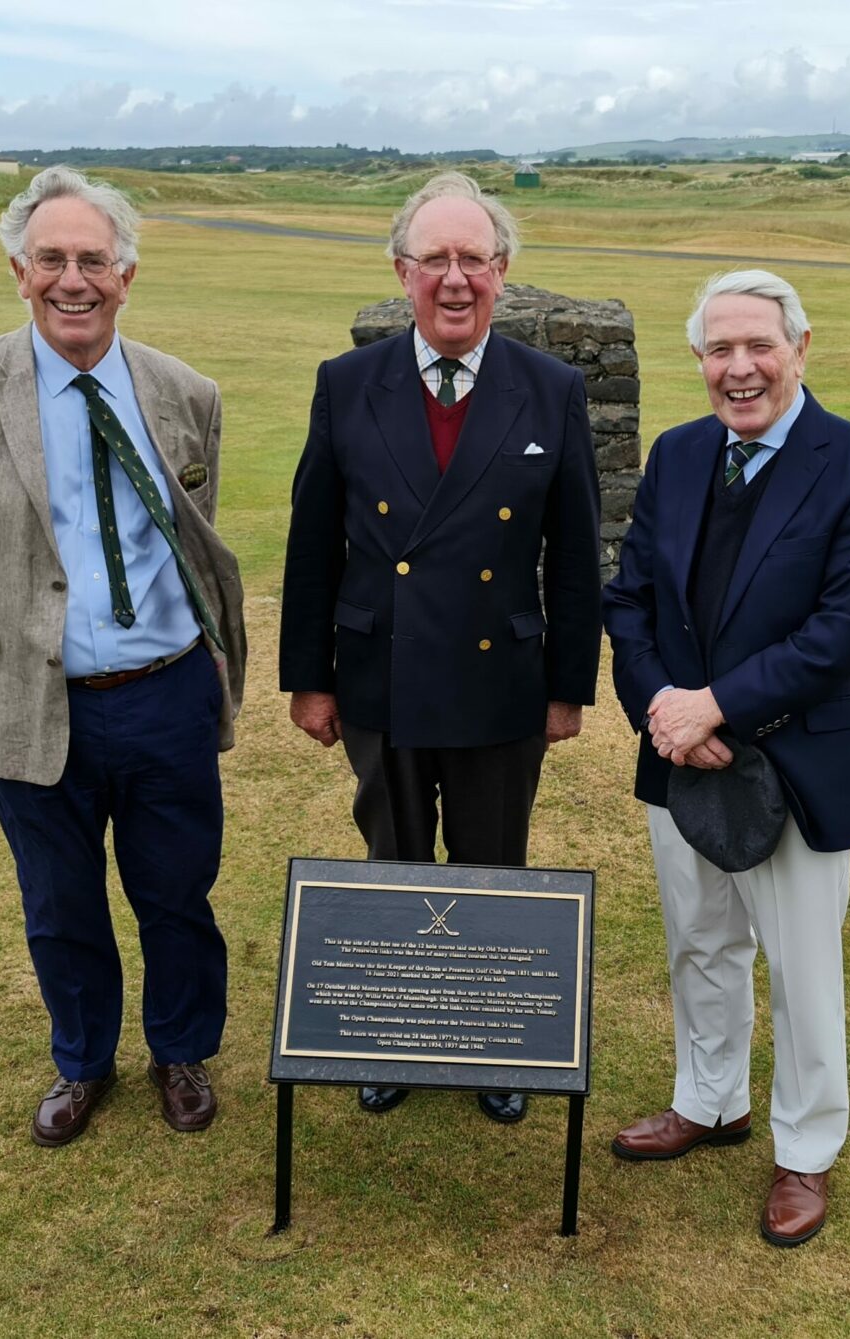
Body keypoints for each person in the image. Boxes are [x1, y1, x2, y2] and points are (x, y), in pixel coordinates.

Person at [0, 165, 247, 1149]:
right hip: (31, 696)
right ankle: (83, 1060)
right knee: (59, 902)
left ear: (127, 275)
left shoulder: (187, 393)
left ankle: (181, 1049)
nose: (73, 278)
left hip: (167, 692)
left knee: (177, 890)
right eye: (51, 258)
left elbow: (194, 530)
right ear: (19, 269)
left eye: (94, 259)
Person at [278, 171, 602, 1125]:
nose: (454, 280)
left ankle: (497, 1045)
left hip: (503, 673)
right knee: (395, 858)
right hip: (383, 670)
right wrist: (309, 679)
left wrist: (569, 686)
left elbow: (575, 553)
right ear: (401, 272)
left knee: (493, 863)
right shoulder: (347, 383)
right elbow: (313, 541)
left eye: (474, 260)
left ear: (503, 273)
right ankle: (392, 1035)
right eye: (435, 261)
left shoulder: (552, 389)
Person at [603, 269, 850, 1245]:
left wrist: (714, 706)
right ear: (699, 361)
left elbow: (841, 630)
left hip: (795, 764)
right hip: (680, 757)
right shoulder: (678, 455)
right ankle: (712, 1100)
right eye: (718, 351)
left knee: (803, 969)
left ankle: (806, 1152)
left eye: (758, 347)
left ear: (802, 349)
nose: (740, 369)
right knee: (700, 942)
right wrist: (663, 707)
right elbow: (630, 600)